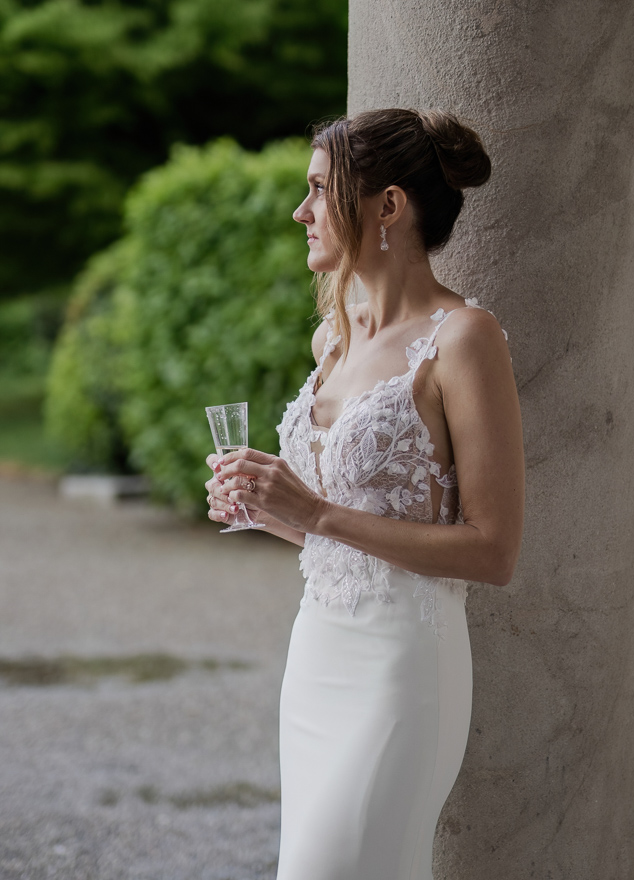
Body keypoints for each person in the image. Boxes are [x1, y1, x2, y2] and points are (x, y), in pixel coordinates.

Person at [204, 108, 524, 880]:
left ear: (388, 206)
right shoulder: (332, 337)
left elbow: (492, 550)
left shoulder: (463, 337)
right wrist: (272, 510)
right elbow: (341, 538)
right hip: (317, 658)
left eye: (319, 190)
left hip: (401, 671)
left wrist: (311, 510)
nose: (300, 212)